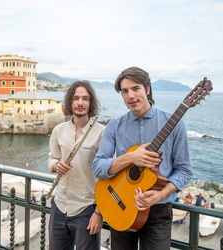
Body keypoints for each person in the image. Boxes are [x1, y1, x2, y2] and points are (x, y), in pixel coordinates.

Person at [92, 67, 193, 250]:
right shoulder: (115, 126)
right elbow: (98, 166)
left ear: (147, 89)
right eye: (125, 91)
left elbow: (184, 170)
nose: (130, 95)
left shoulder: (174, 124)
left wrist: (160, 194)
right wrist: (131, 157)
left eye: (135, 88)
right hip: (120, 205)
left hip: (158, 211)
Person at [48, 80, 105, 250]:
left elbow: (108, 175)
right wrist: (56, 165)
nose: (80, 103)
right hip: (59, 205)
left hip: (86, 209)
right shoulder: (58, 130)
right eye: (76, 98)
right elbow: (51, 158)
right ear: (70, 102)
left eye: (85, 99)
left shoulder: (102, 132)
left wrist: (98, 213)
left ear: (90, 102)